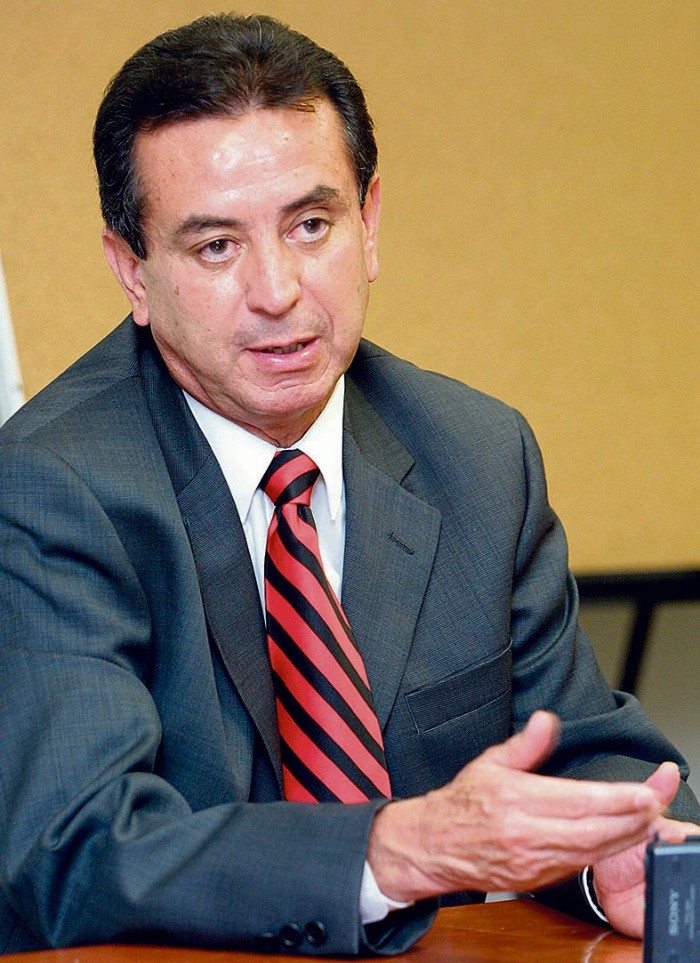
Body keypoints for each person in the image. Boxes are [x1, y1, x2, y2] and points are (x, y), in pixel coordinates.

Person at [0, 12, 697, 957]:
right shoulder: (49, 486)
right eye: (216, 247)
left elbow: (583, 749)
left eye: (311, 225)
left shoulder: (476, 454)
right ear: (133, 271)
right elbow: (77, 850)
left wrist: (605, 857)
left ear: (368, 225)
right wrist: (389, 850)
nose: (278, 290)